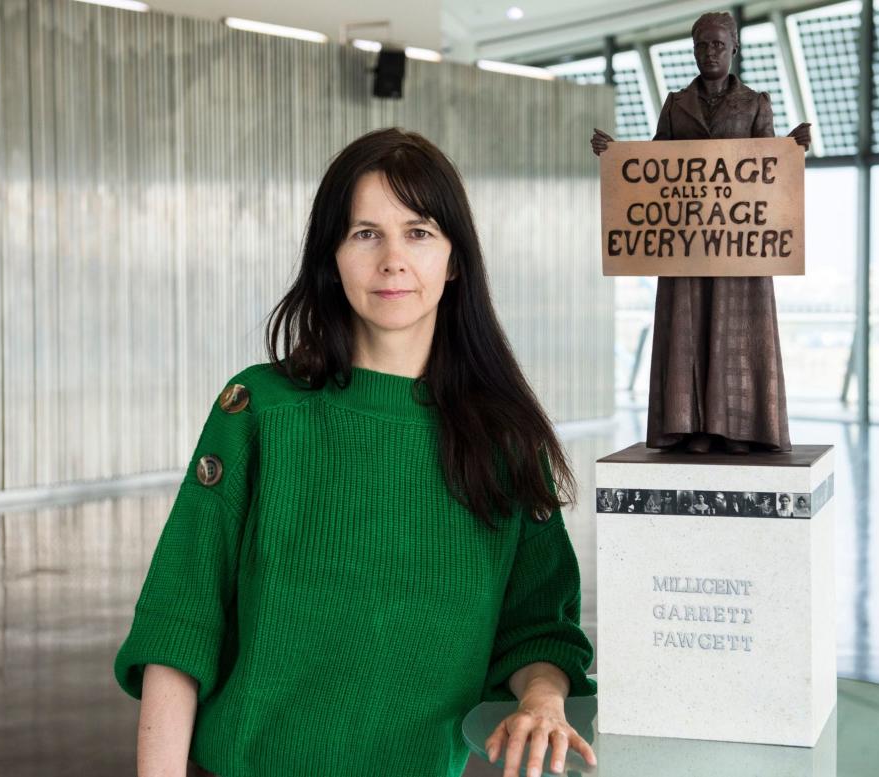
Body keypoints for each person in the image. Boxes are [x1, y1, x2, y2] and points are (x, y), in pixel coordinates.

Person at [113, 128, 597, 777]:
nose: (392, 259)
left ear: (454, 259)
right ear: (332, 256)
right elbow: (181, 624)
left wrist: (542, 699)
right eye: (364, 233)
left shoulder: (506, 442)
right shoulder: (259, 409)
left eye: (418, 231)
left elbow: (537, 628)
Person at [591, 11, 810, 455]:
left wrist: (791, 147)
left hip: (738, 246)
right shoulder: (675, 104)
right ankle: (691, 426)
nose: (708, 53)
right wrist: (617, 156)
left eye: (716, 45)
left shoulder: (754, 103)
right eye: (700, 46)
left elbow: (766, 168)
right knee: (686, 329)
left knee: (737, 329)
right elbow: (654, 171)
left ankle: (740, 427)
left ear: (733, 48)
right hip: (686, 245)